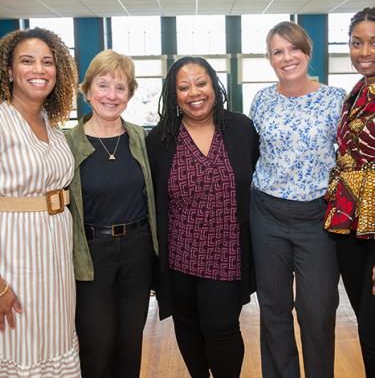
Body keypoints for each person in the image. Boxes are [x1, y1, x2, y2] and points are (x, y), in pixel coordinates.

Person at [146, 56, 259, 378]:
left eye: (201, 83)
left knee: (221, 327)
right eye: (183, 87)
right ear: (173, 94)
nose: (194, 92)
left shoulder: (240, 128)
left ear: (214, 86)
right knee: (188, 326)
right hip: (179, 255)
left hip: (227, 252)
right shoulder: (159, 140)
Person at [249, 21, 346, 378]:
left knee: (318, 311)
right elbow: (253, 153)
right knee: (273, 310)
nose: (287, 57)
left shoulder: (335, 99)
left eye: (294, 49)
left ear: (307, 52)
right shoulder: (262, 100)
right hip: (266, 213)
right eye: (278, 51)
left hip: (317, 219)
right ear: (270, 59)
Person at [65, 49, 158, 378]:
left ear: (130, 94)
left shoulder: (140, 138)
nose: (111, 95)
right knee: (97, 343)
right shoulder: (68, 143)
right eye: (103, 86)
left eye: (121, 88)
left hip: (137, 250)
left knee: (130, 341)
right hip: (91, 256)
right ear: (88, 90)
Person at [0, 28, 80, 376]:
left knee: (56, 340)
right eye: (27, 61)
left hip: (57, 257)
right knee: (22, 345)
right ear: (9, 71)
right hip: (14, 259)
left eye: (48, 62)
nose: (39, 69)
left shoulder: (53, 123)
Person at [324, 7, 375, 378]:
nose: (364, 51)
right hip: (349, 221)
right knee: (365, 324)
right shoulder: (357, 90)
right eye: (356, 43)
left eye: (374, 42)